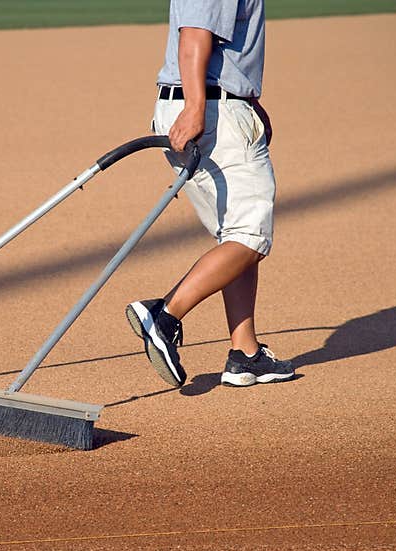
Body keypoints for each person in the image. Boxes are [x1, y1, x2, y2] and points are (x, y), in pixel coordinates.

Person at [126, 0, 295, 388]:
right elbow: (195, 35)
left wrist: (246, 101)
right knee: (250, 237)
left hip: (210, 103)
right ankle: (164, 316)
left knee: (235, 235)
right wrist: (198, 107)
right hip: (210, 109)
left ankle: (246, 354)